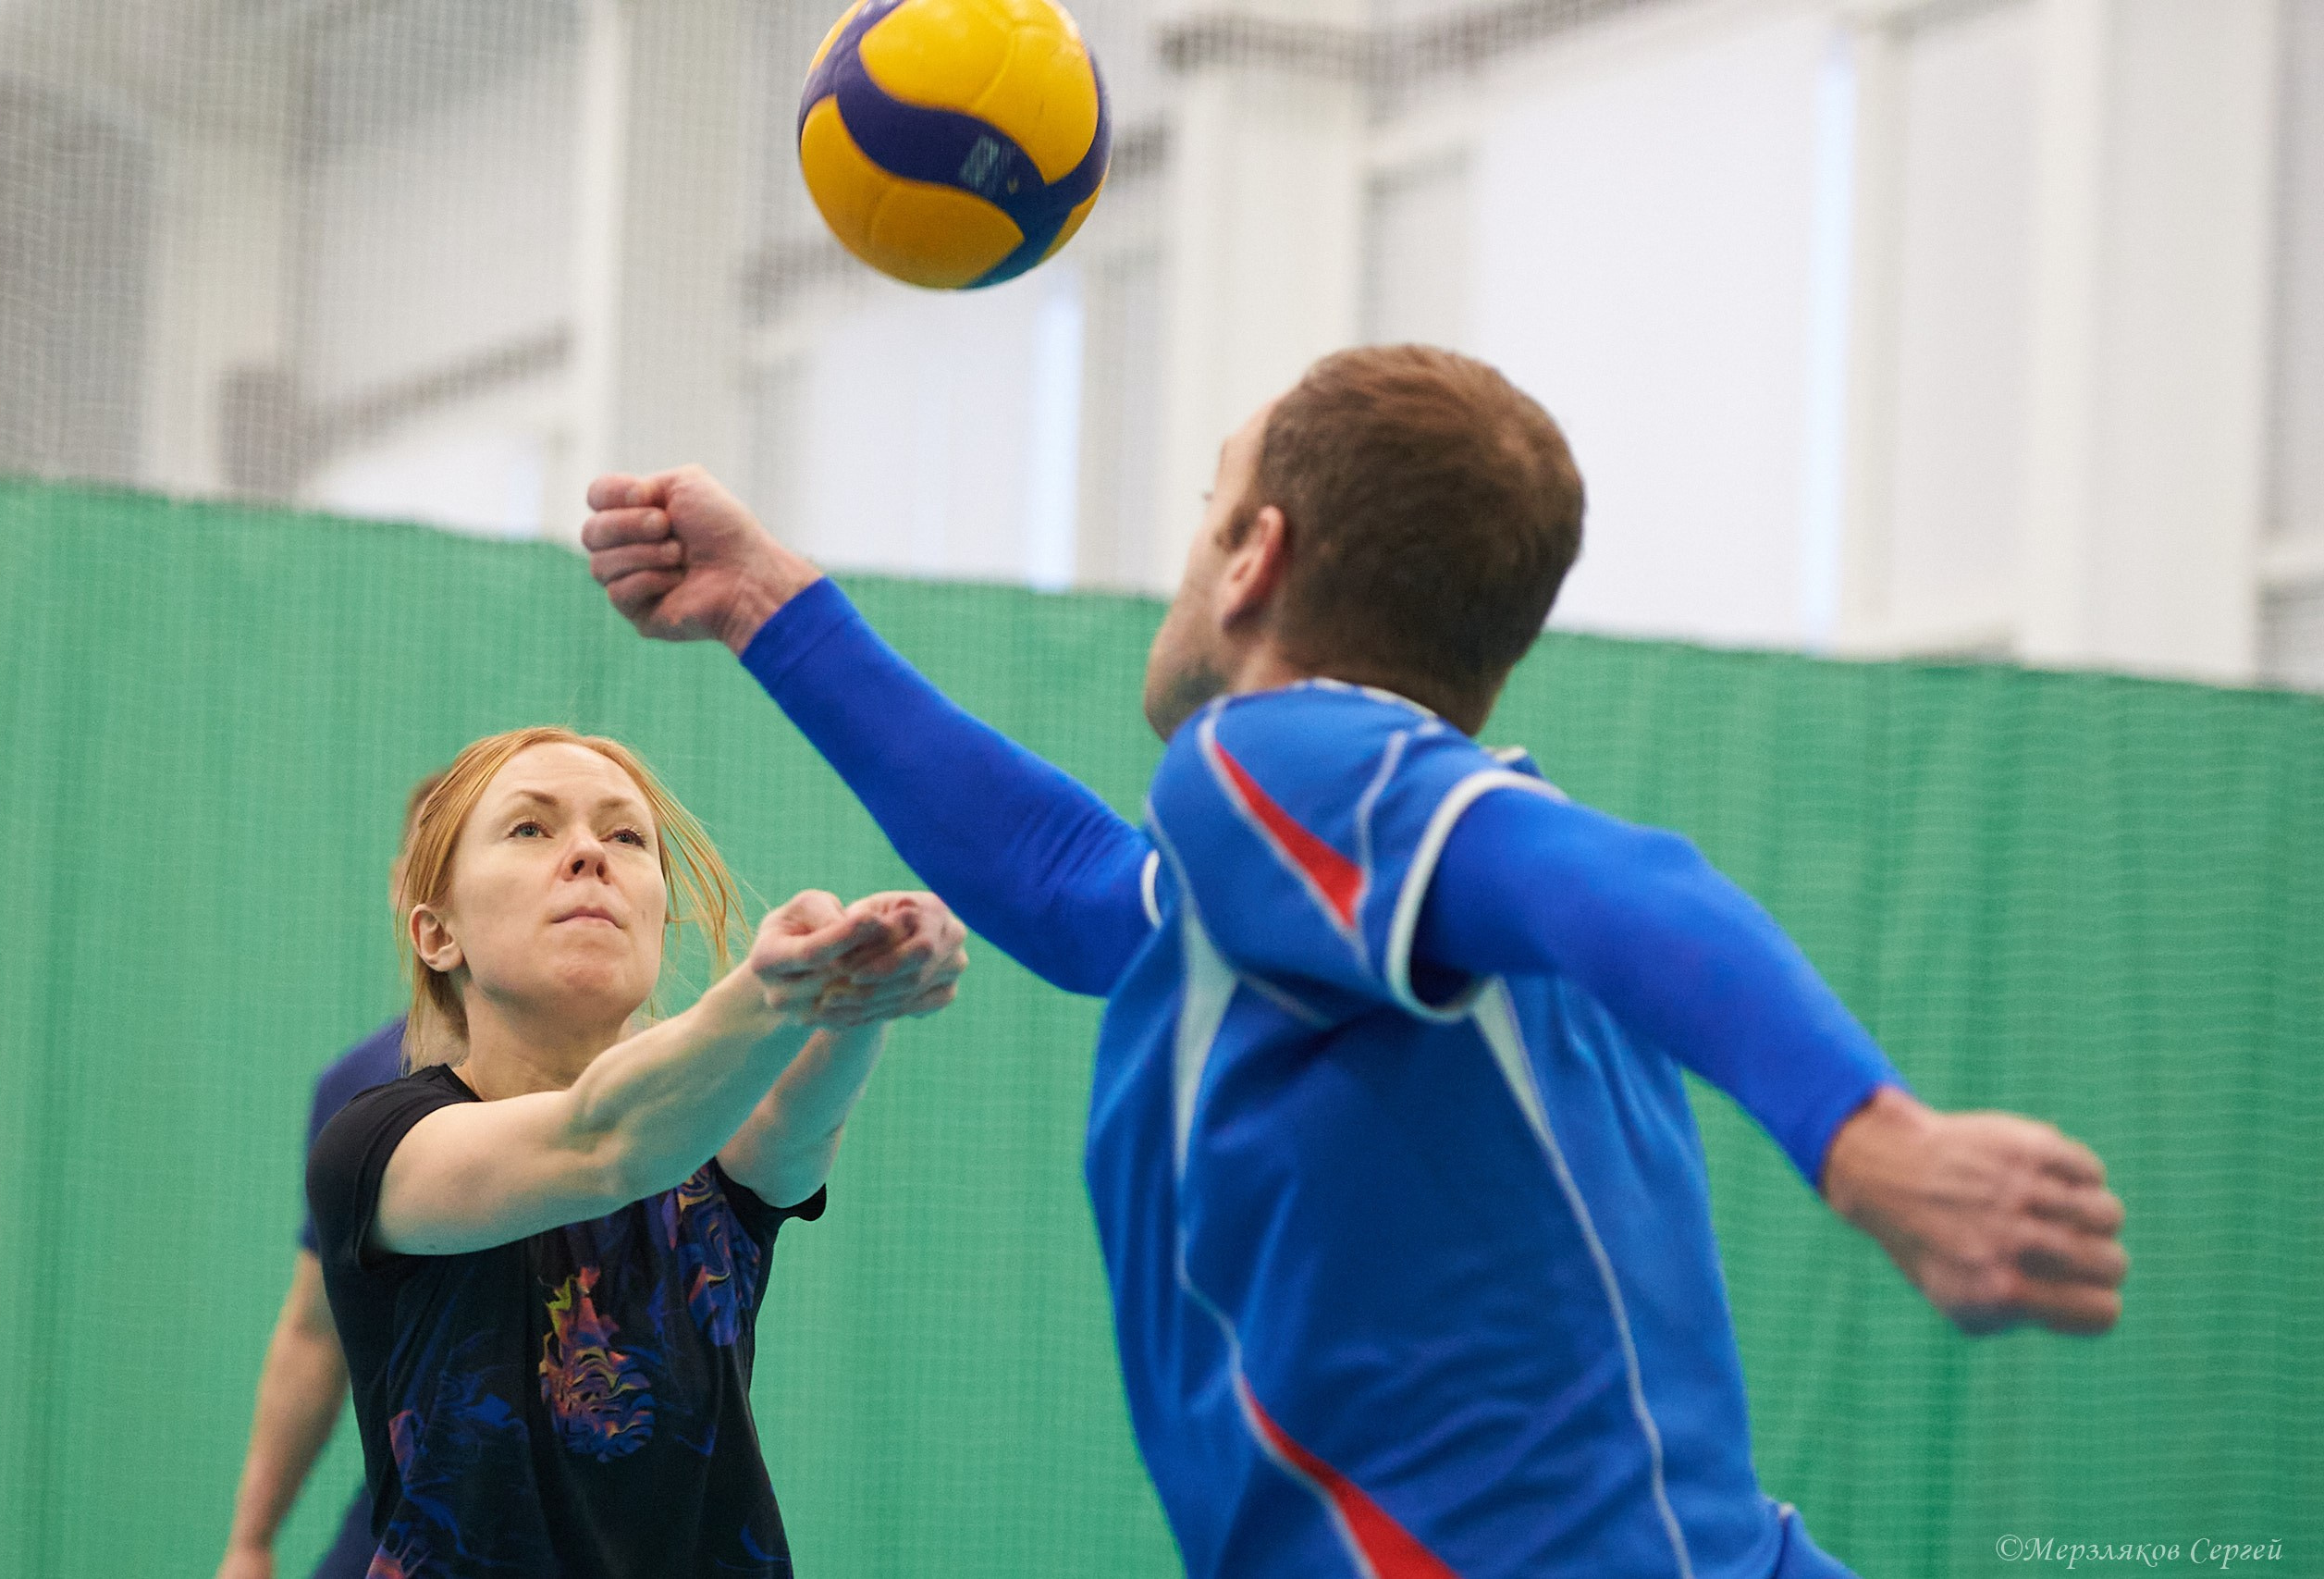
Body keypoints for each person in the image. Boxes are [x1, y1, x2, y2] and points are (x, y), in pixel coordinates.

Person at [580, 345, 2131, 1578]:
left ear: (1255, 556)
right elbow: (1065, 888)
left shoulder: (1272, 758)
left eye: (1206, 509)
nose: (1191, 552)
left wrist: (1876, 1142)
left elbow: (1624, 877)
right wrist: (765, 605)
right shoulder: (1313, 904)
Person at [305, 724, 966, 1577]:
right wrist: (776, 988)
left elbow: (799, 1125)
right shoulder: (381, 1147)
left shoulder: (717, 1146)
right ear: (438, 934)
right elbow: (606, 1142)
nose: (589, 853)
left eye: (624, 834)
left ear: (659, 913)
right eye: (531, 828)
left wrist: (865, 977)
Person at [218, 771, 443, 1579]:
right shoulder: (357, 1089)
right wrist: (252, 1538)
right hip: (414, 1516)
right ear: (412, 903)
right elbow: (317, 1331)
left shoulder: (639, 1086)